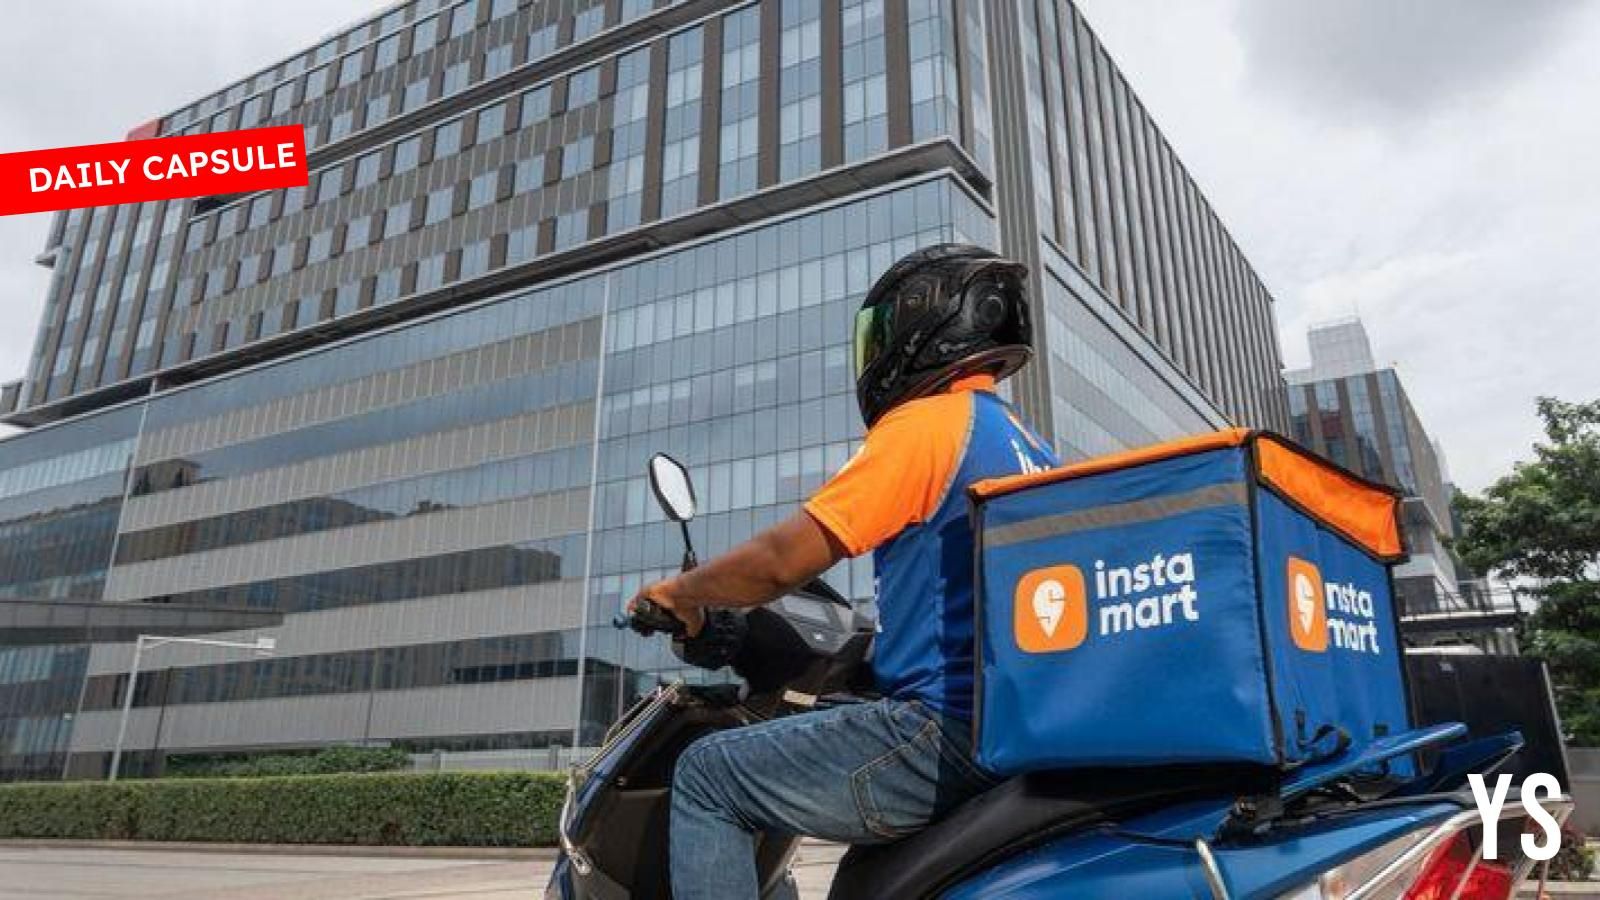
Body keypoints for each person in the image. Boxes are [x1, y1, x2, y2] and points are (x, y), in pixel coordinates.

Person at [626, 244, 1058, 899]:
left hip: (938, 732)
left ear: (922, 324)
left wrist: (679, 591)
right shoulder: (1026, 443)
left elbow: (780, 563)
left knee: (710, 775)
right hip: (1007, 727)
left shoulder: (926, 426)